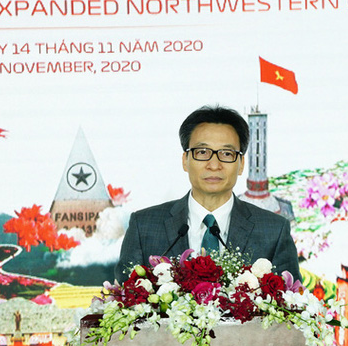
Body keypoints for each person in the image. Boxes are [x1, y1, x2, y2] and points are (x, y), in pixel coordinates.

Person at [114, 105, 301, 283]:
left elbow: (291, 300)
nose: (214, 165)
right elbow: (123, 298)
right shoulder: (144, 226)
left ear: (241, 164)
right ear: (185, 160)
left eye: (226, 154)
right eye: (202, 152)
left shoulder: (274, 231)